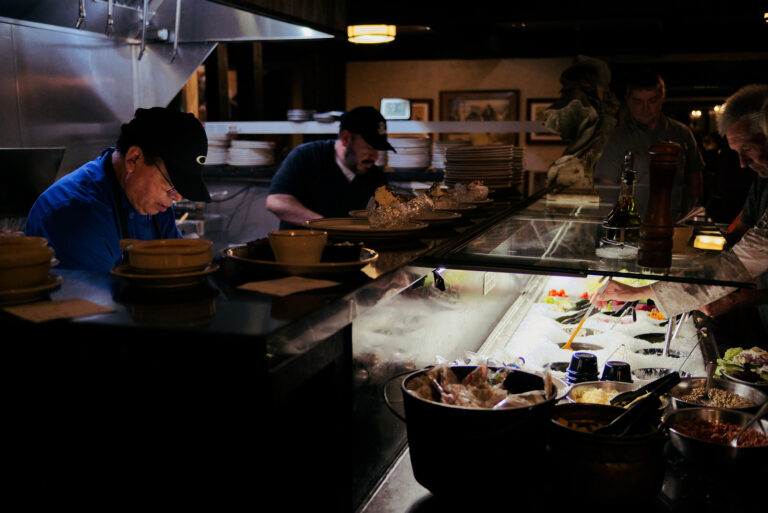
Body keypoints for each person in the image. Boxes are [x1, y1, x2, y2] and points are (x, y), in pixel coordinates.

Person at [597, 87, 768, 344]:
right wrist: (683, 247)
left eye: (748, 148)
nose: (742, 163)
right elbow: (734, 239)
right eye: (736, 152)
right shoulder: (762, 179)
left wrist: (642, 291)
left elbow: (742, 261)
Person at [25, 107, 211, 272]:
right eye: (171, 184)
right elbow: (98, 299)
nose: (176, 197)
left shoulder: (151, 201)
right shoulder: (77, 217)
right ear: (133, 159)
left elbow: (175, 268)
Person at [593, 69, 704, 220]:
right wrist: (615, 222)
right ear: (628, 100)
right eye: (637, 102)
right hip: (632, 223)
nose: (645, 108)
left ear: (662, 98)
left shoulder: (682, 133)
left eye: (652, 101)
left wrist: (686, 219)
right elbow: (606, 186)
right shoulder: (616, 138)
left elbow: (695, 180)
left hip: (674, 222)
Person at [266, 106, 393, 230]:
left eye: (378, 149)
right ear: (346, 139)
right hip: (302, 242)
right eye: (369, 147)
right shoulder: (307, 156)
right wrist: (325, 225)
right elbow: (276, 202)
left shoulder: (374, 175)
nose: (375, 157)